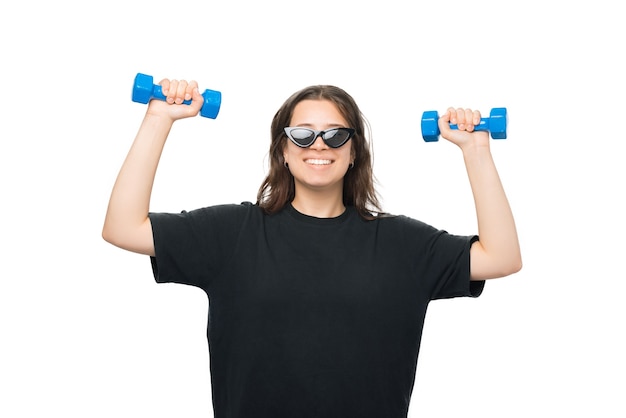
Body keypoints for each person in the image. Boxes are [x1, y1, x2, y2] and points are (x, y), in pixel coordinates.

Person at [102, 77, 522, 418]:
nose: (318, 145)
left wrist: (476, 149)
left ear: (354, 151)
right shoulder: (232, 234)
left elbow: (500, 258)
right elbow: (123, 227)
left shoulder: (402, 244)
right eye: (302, 134)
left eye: (336, 135)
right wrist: (158, 117)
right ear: (283, 150)